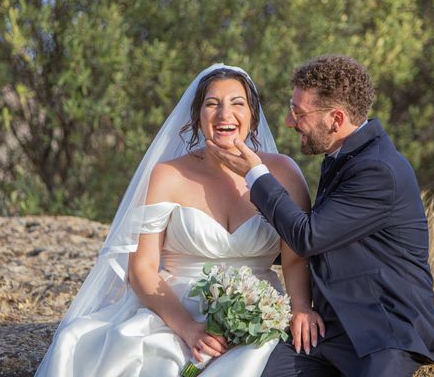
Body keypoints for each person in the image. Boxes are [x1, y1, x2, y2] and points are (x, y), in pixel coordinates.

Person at [35, 64, 323, 377]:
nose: (225, 114)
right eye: (212, 104)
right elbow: (142, 269)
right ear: (197, 116)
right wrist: (189, 329)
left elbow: (295, 259)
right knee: (85, 344)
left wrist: (300, 308)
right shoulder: (168, 175)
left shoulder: (284, 173)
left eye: (237, 103)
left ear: (252, 115)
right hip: (175, 310)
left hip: (259, 312)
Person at [207, 55, 434, 377]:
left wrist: (255, 175)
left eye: (298, 113)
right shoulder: (343, 155)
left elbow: (308, 238)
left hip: (385, 333)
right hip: (331, 330)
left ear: (336, 118)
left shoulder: (377, 169)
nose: (290, 123)